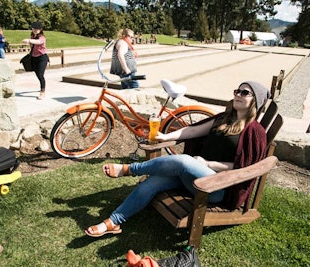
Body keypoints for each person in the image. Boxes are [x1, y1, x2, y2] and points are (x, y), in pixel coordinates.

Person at [85, 81, 270, 237]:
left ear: (256, 100)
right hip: (194, 177)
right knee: (152, 183)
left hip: (216, 187)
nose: (238, 94)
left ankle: (130, 169)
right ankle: (113, 222)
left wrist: (206, 164)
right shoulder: (223, 119)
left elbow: (245, 168)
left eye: (244, 92)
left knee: (183, 161)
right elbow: (193, 130)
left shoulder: (255, 132)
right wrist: (165, 137)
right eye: (237, 90)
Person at [22, 21, 49, 100]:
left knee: (40, 75)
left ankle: (42, 92)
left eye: (37, 29)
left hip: (42, 58)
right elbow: (32, 45)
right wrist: (30, 41)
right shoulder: (32, 36)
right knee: (37, 74)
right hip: (34, 57)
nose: (35, 30)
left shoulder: (42, 37)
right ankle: (42, 86)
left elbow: (39, 42)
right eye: (34, 29)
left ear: (40, 30)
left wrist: (29, 40)